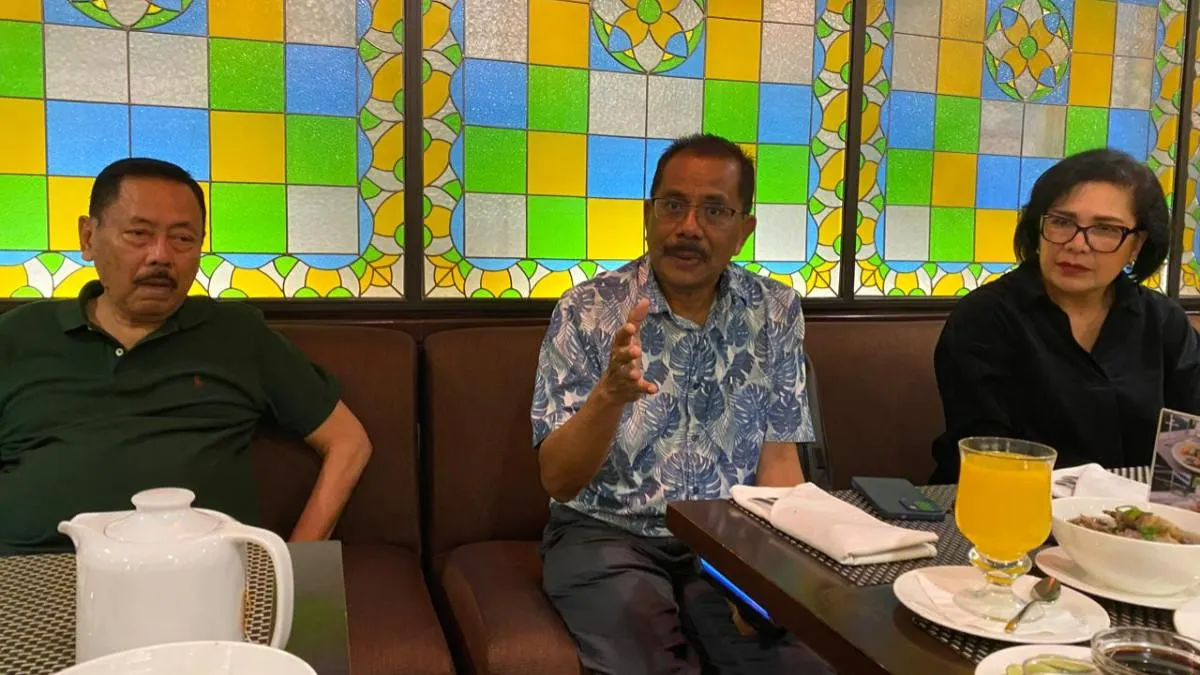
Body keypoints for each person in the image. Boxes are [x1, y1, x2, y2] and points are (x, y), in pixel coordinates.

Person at [531, 134, 833, 674]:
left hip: (728, 538)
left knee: (797, 665)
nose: (689, 227)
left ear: (744, 231)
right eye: (673, 205)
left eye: (714, 211)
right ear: (649, 215)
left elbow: (779, 463)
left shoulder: (776, 310)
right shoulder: (588, 309)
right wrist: (609, 396)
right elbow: (558, 479)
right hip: (607, 532)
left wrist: (771, 574)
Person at [0, 158, 373, 555]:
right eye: (138, 234)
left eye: (182, 239)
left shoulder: (236, 335)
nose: (161, 256)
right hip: (33, 570)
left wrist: (295, 559)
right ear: (88, 237)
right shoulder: (19, 335)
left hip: (201, 571)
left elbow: (349, 441)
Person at [930, 148, 1200, 484]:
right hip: (1010, 501)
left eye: (1105, 229)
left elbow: (1189, 450)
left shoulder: (1164, 322)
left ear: (1137, 245)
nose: (1077, 244)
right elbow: (986, 453)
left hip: (1138, 511)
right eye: (1061, 222)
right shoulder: (985, 317)